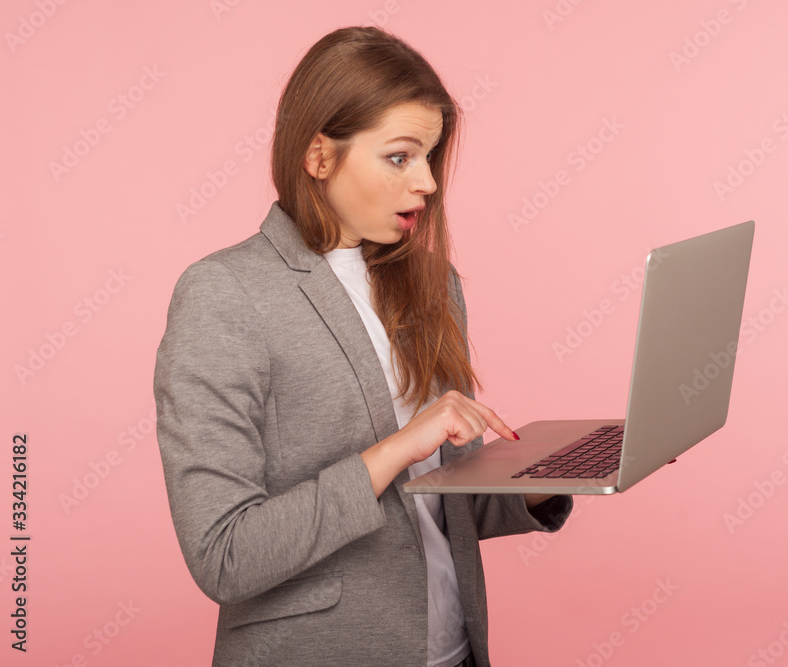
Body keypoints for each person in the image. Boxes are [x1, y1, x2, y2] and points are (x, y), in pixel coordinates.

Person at [153, 26, 573, 667]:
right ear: (319, 156)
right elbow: (225, 555)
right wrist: (399, 447)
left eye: (430, 157)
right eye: (400, 158)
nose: (427, 182)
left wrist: (552, 475)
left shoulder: (433, 285)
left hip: (455, 652)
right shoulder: (224, 293)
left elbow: (444, 502)